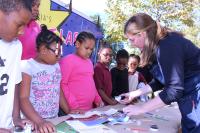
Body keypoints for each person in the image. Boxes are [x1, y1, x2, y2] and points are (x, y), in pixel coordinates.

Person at [121, 13, 200, 133]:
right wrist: (134, 94)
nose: (131, 44)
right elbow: (160, 80)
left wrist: (141, 108)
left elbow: (174, 89)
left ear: (142, 34)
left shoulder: (167, 45)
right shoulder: (158, 47)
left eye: (132, 39)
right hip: (189, 98)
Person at [20, 25, 69, 133]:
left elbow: (58, 91)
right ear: (43, 50)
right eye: (57, 52)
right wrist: (40, 121)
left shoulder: (56, 66)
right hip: (33, 123)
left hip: (53, 120)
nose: (60, 56)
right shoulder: (27, 66)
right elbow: (23, 98)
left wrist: (69, 112)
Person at [0, 0, 32, 132]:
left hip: (6, 126)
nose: (22, 32)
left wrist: (16, 116)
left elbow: (15, 83)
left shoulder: (16, 46)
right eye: (19, 25)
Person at [60, 31, 103, 112]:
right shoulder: (67, 60)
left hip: (88, 109)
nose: (89, 52)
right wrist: (73, 105)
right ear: (77, 44)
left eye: (91, 49)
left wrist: (97, 99)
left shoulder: (89, 62)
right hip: (74, 110)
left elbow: (91, 83)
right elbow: (62, 85)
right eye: (86, 48)